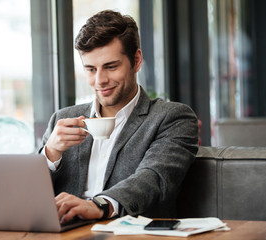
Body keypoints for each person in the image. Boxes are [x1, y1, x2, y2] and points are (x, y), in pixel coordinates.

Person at [39, 10, 198, 224]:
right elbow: (29, 196)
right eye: (91, 69)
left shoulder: (172, 118)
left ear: (137, 60)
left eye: (111, 67)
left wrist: (98, 206)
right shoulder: (62, 119)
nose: (100, 80)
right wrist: (50, 154)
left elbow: (153, 179)